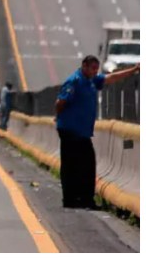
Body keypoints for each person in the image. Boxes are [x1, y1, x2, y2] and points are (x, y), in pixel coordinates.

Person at [55, 56, 139, 209]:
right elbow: (60, 103)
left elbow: (111, 78)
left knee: (86, 165)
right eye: (93, 68)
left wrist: (133, 70)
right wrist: (65, 120)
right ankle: (72, 199)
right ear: (84, 66)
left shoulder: (92, 80)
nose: (95, 71)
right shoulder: (74, 81)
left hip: (82, 132)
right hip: (70, 130)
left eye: (96, 69)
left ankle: (83, 199)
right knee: (72, 164)